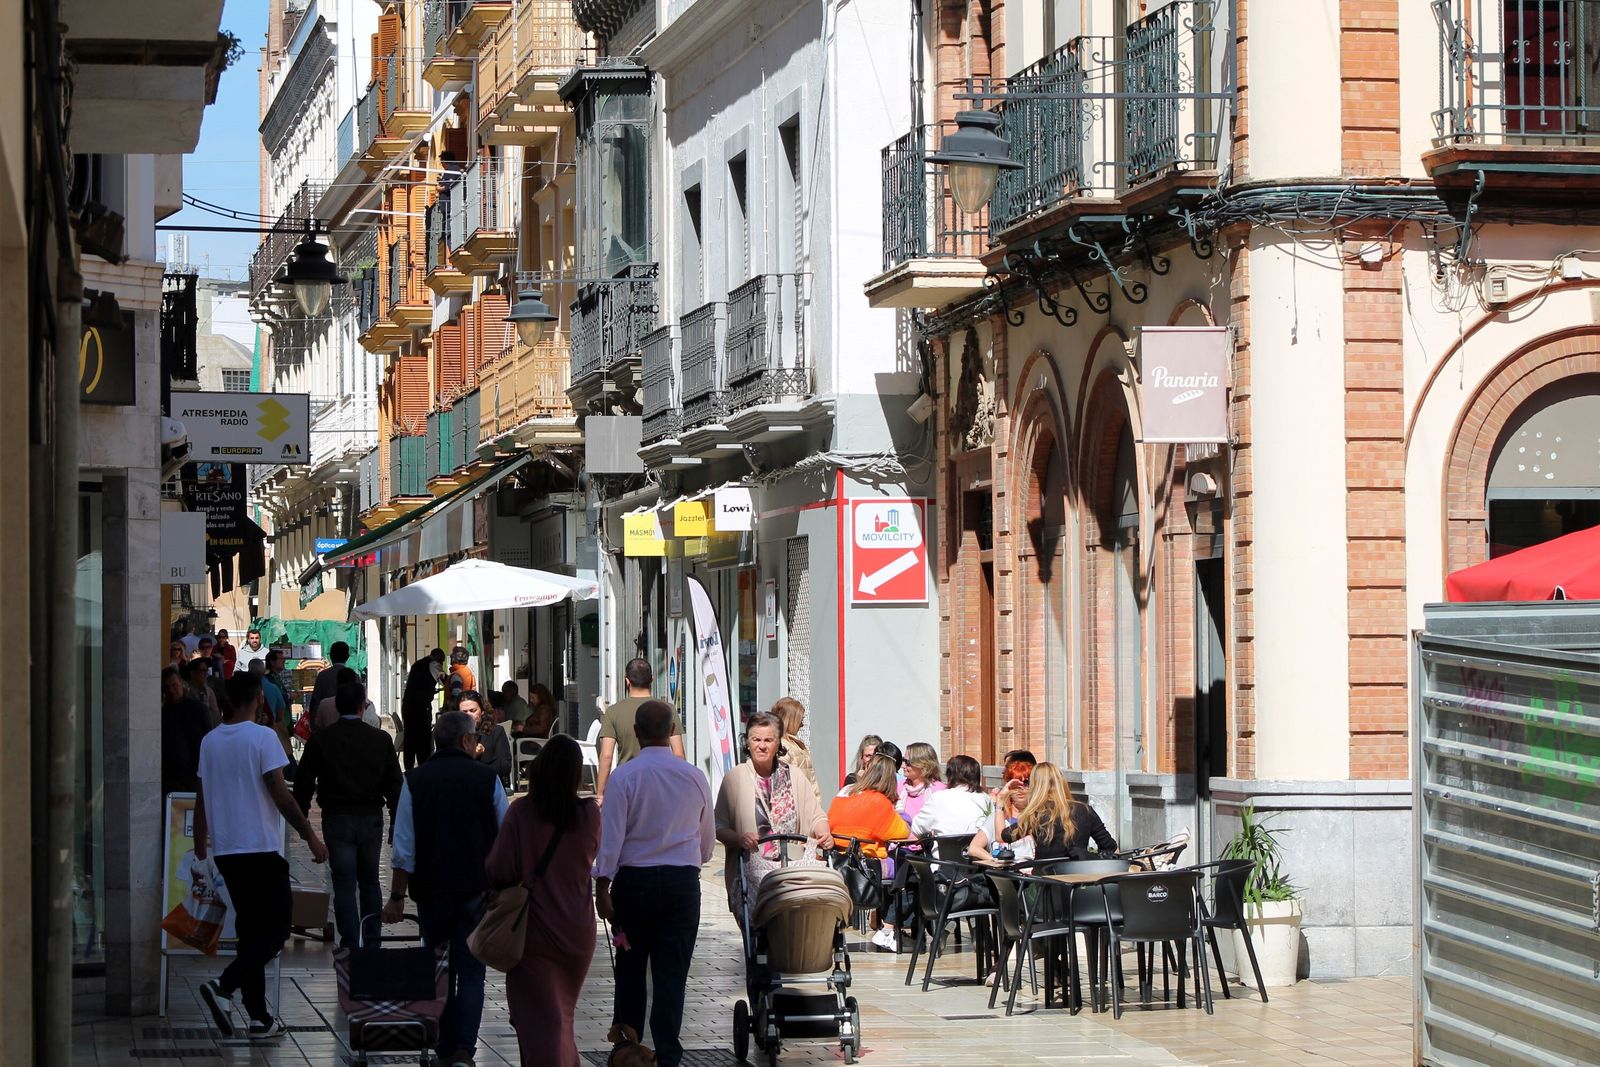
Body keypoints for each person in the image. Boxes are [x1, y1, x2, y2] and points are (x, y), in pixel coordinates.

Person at [193, 671, 329, 1040]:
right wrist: (311, 837)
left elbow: (202, 797)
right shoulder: (263, 738)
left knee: (252, 932)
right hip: (259, 848)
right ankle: (224, 985)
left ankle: (259, 1017)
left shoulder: (210, 741)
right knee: (277, 930)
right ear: (258, 700)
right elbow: (281, 794)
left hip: (227, 852)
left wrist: (201, 847)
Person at [384, 711, 509, 1067]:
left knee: (438, 966)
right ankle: (462, 1050)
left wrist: (396, 896)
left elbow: (403, 845)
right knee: (471, 970)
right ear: (467, 741)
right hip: (476, 892)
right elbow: (504, 836)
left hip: (432, 891)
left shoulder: (417, 780)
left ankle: (442, 1044)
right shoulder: (487, 779)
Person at [593, 700, 714, 1067]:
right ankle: (668, 1054)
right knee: (671, 974)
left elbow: (610, 839)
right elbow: (706, 843)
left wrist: (602, 886)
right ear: (670, 731)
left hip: (634, 887)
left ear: (638, 733)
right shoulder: (694, 776)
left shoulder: (624, 778)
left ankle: (628, 1048)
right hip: (681, 886)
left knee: (630, 969)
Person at [484, 735, 602, 1067]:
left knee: (542, 1025)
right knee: (560, 1018)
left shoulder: (522, 812)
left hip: (534, 930)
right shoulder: (589, 815)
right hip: (577, 930)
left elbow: (498, 867)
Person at [293, 678, 403, 948]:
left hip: (337, 818)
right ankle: (373, 941)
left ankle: (351, 943)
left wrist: (302, 823)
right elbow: (395, 786)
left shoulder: (321, 740)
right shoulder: (380, 740)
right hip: (371, 818)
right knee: (369, 881)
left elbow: (304, 783)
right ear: (363, 707)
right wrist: (396, 824)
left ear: (338, 707)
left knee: (343, 883)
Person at [713, 712, 830, 914]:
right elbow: (718, 826)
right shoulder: (735, 778)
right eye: (756, 739)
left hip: (792, 873)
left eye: (769, 740)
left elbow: (816, 816)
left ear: (778, 743)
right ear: (747, 742)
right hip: (751, 875)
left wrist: (823, 832)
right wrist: (739, 838)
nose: (762, 745)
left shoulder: (794, 775)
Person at [968, 762, 1117, 863]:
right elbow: (1110, 846)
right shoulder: (1085, 810)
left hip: (1045, 888)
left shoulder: (1036, 815)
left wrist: (1000, 801)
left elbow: (1001, 837)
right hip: (1079, 886)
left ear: (1036, 786)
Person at [596, 659, 685, 804]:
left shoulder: (613, 712)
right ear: (652, 679)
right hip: (661, 783)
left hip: (627, 784)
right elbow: (679, 754)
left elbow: (606, 756)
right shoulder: (667, 709)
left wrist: (601, 794)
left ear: (627, 681)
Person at [829, 752, 910, 860]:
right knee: (905, 859)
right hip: (866, 864)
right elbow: (903, 832)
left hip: (836, 860)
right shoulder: (879, 802)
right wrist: (903, 816)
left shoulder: (844, 793)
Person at [911, 754, 995, 839]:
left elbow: (917, 829)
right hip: (980, 850)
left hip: (945, 851)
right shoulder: (986, 799)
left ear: (950, 775)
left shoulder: (938, 798)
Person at [161, 666, 211, 795]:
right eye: (167, 687)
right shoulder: (162, 714)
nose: (171, 690)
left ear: (181, 682)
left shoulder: (198, 710)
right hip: (170, 778)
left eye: (174, 685)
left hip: (195, 775)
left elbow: (208, 740)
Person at [401, 649, 445, 770]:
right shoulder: (433, 664)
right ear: (438, 658)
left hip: (408, 705)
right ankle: (423, 766)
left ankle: (408, 767)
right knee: (423, 738)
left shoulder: (417, 664)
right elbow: (443, 679)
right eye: (442, 661)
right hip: (421, 707)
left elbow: (417, 684)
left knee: (409, 737)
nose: (441, 665)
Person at [771, 697, 820, 801]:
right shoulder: (781, 747)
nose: (802, 725)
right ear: (789, 720)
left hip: (807, 808)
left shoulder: (795, 744)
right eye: (800, 720)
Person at [460, 690, 511, 785]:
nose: (469, 715)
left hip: (489, 786)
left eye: (472, 710)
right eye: (464, 712)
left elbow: (505, 768)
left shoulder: (496, 732)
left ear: (482, 711)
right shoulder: (455, 735)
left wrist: (484, 755)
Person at [991, 749, 1037, 846]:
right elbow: (974, 847)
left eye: (1026, 783)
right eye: (1014, 783)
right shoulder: (1000, 816)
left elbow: (1001, 837)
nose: (1020, 788)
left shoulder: (1038, 816)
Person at [897, 741, 946, 824]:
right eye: (903, 760)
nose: (903, 766)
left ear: (923, 765)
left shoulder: (940, 790)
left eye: (907, 762)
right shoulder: (898, 787)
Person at [310, 641, 352, 711]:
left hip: (326, 718)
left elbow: (315, 702)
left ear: (331, 656)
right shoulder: (354, 676)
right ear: (347, 657)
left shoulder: (322, 676)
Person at [184, 656, 222, 728]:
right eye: (202, 671)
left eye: (206, 671)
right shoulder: (186, 690)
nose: (205, 674)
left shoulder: (209, 691)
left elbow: (215, 713)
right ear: (192, 673)